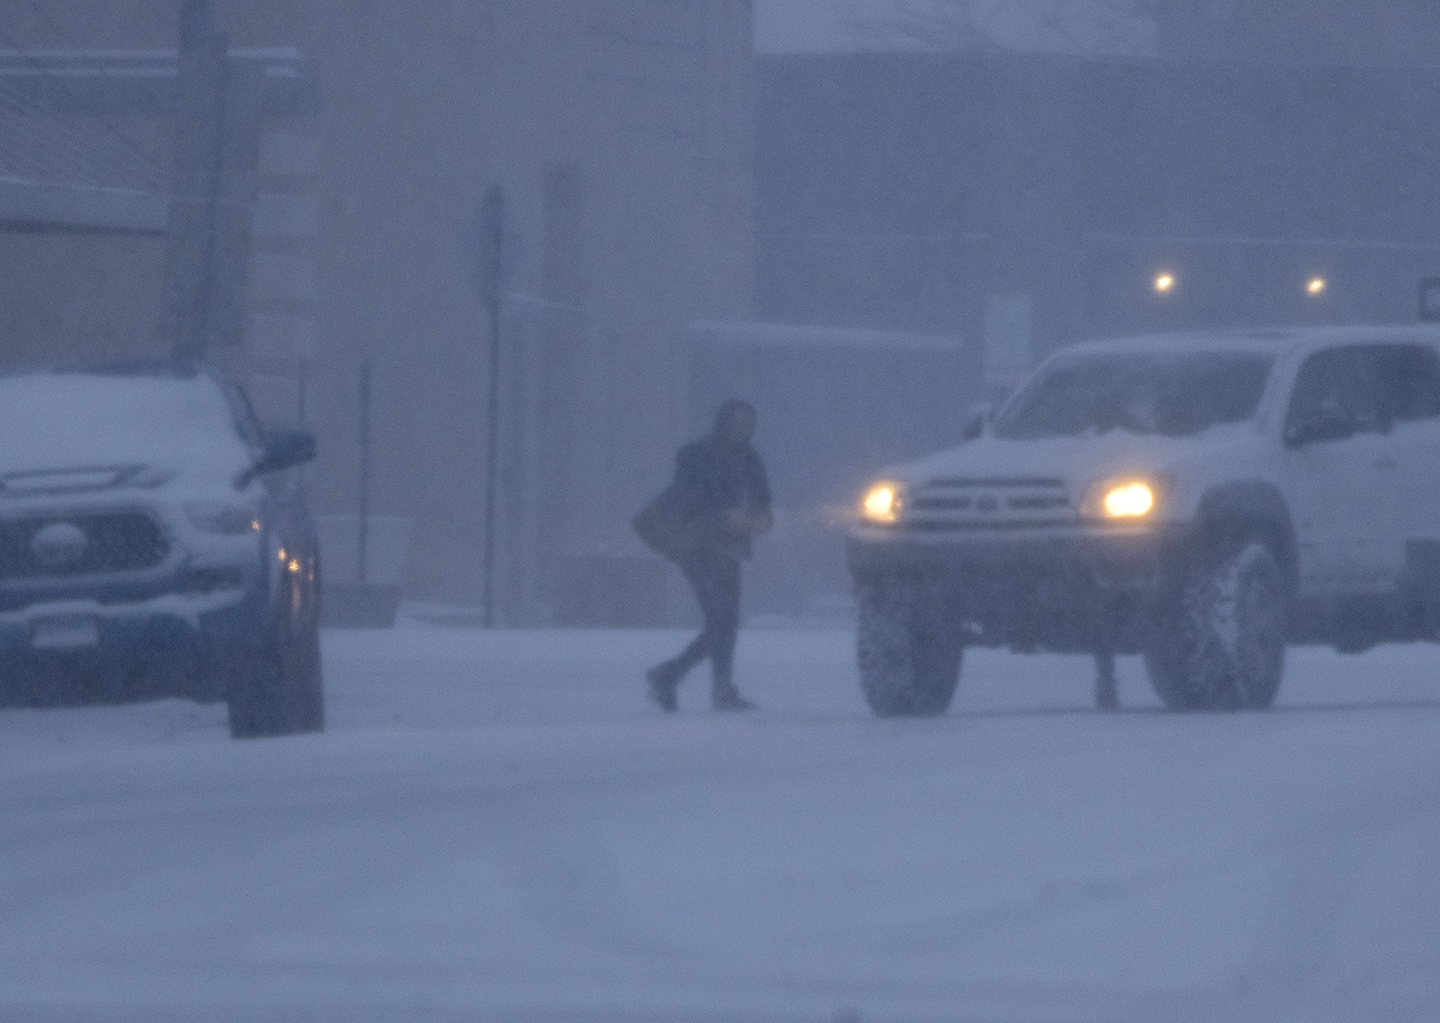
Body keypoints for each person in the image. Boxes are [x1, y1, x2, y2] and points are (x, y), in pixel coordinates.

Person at [641, 399, 772, 712]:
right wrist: (722, 516)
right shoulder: (697, 453)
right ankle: (694, 682)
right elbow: (687, 499)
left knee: (725, 619)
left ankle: (681, 678)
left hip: (727, 545)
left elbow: (762, 500)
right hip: (693, 543)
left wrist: (758, 519)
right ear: (724, 422)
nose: (745, 429)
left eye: (750, 424)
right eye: (739, 422)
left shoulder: (750, 458)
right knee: (721, 618)